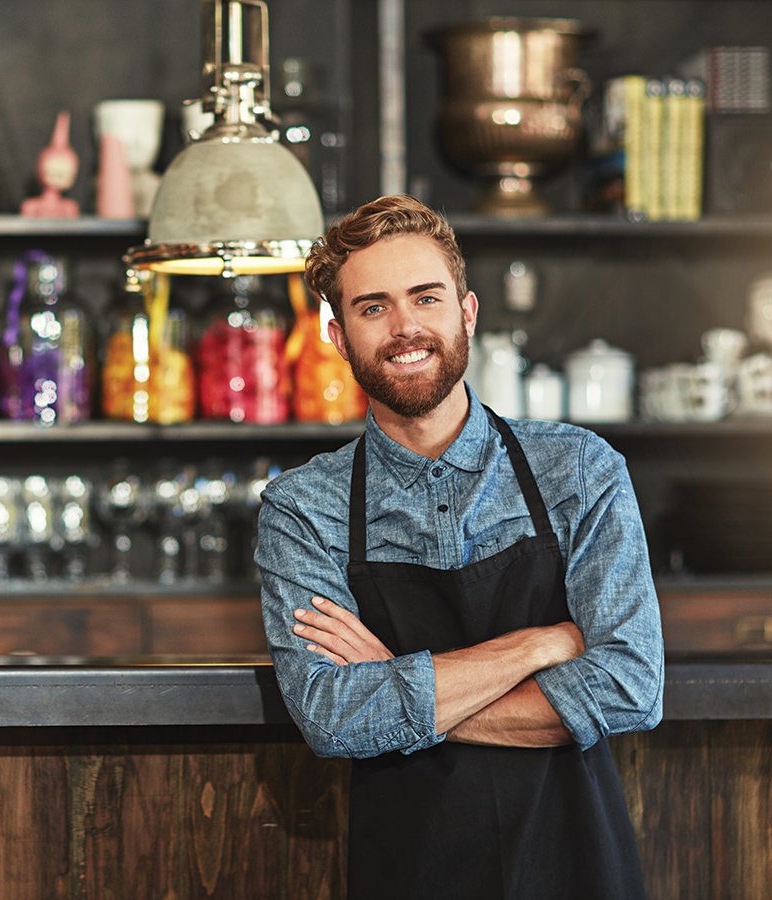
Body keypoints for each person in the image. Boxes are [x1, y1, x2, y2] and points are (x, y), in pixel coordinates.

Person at [255, 195, 664, 900]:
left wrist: (397, 688)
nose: (406, 327)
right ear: (337, 334)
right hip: (412, 870)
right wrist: (540, 644)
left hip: (576, 865)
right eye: (372, 307)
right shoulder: (302, 508)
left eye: (426, 298)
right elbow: (332, 715)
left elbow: (630, 686)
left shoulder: (581, 470)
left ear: (467, 313)